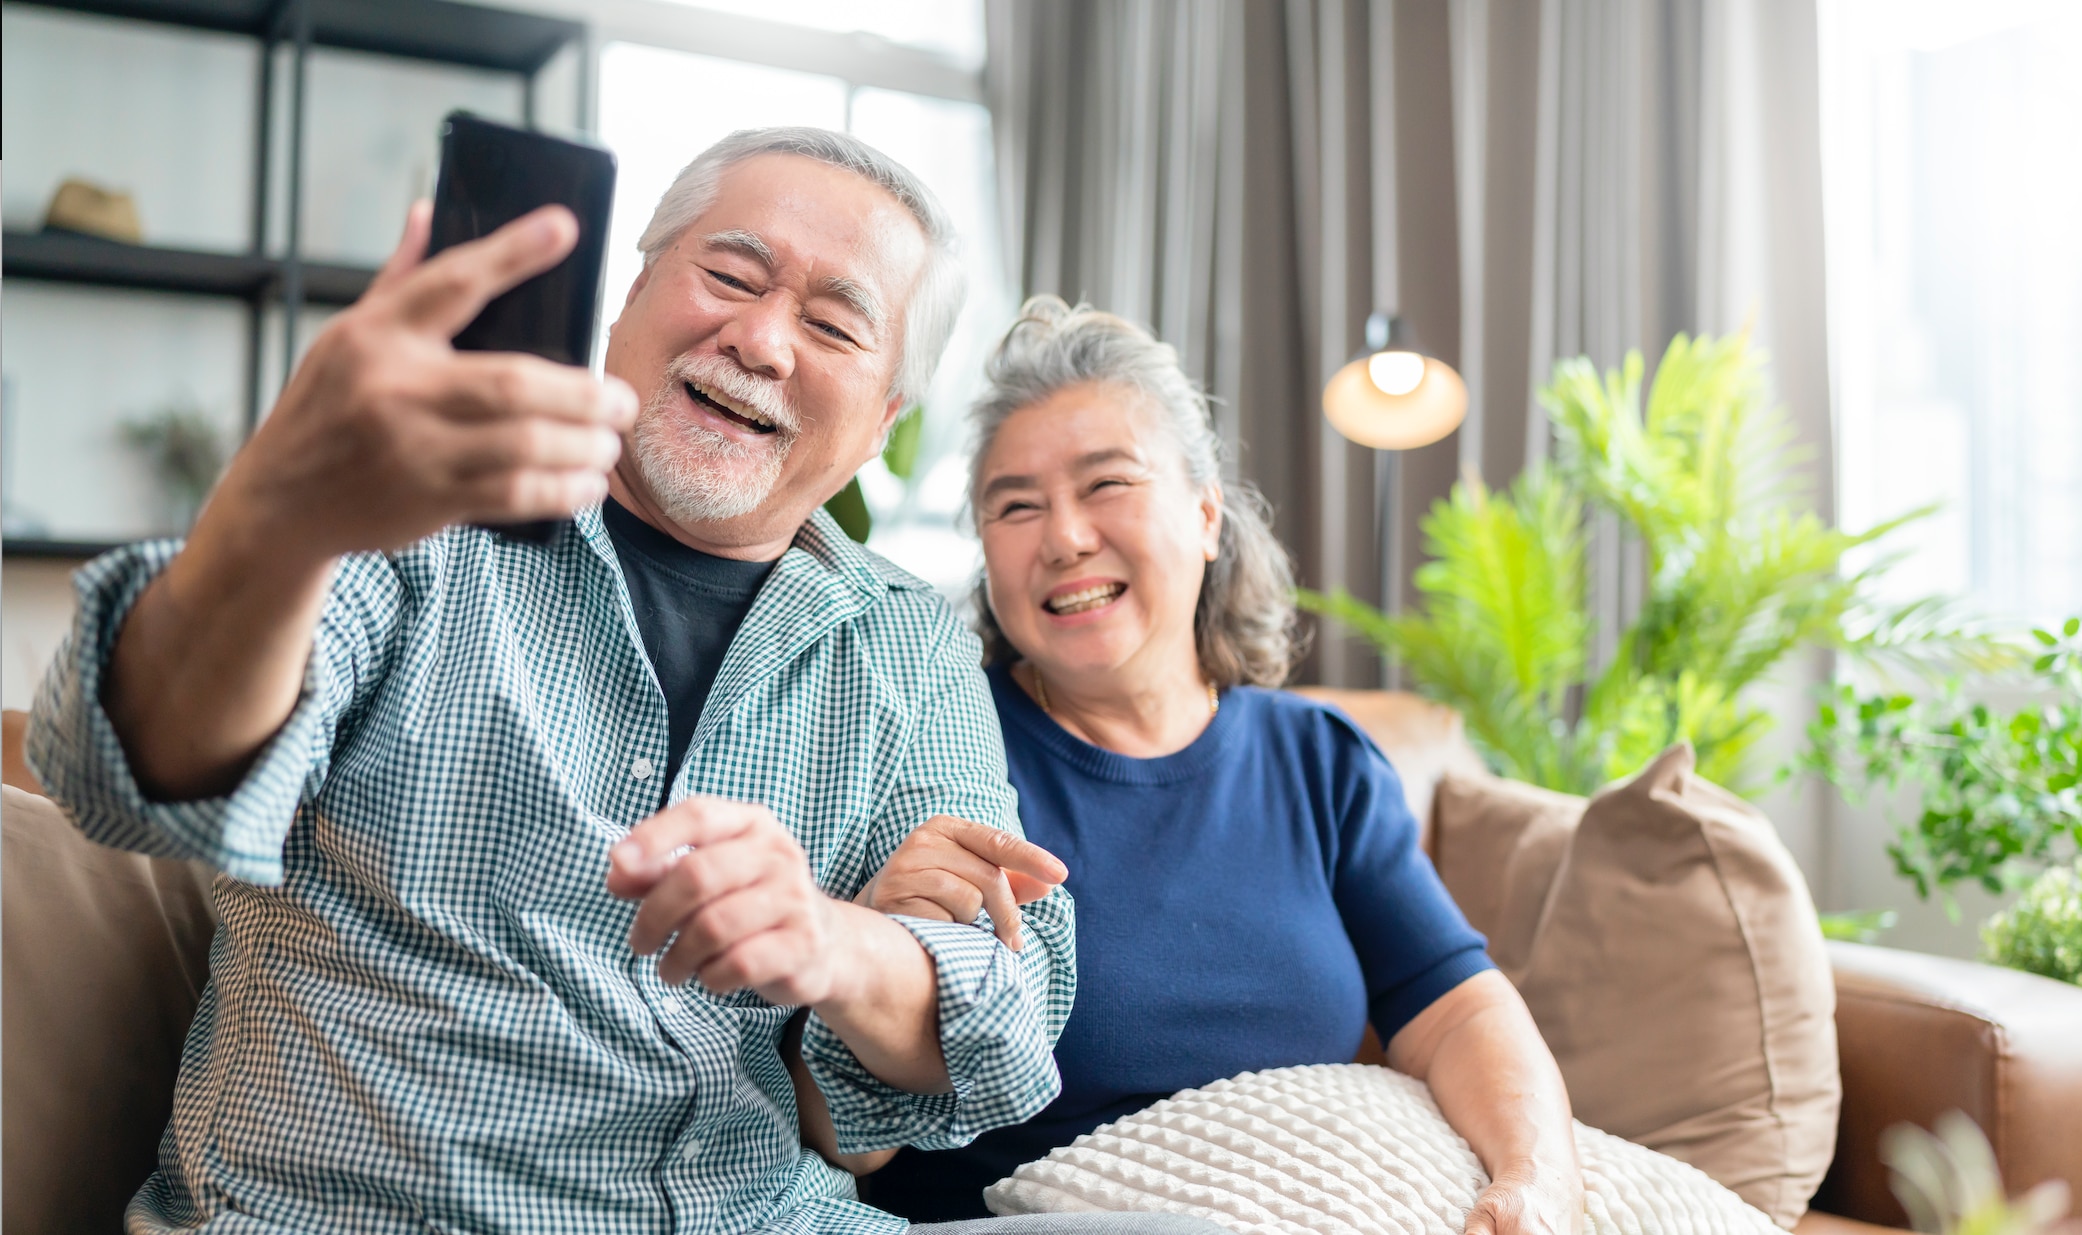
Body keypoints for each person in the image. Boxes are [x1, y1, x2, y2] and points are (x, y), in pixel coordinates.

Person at [27, 130, 1219, 1235]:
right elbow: (124, 771)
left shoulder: (904, 640)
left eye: (836, 323)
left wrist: (833, 939)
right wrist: (280, 518)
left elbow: (1009, 1024)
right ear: (631, 298)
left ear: (880, 425)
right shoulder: (415, 515)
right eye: (732, 275)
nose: (761, 340)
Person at [844, 298, 1588, 1234]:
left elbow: (1456, 1009)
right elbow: (847, 1135)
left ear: (1205, 514)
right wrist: (867, 951)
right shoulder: (939, 748)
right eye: (1016, 504)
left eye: (1105, 483)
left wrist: (1540, 1180)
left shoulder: (1320, 761)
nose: (1064, 536)